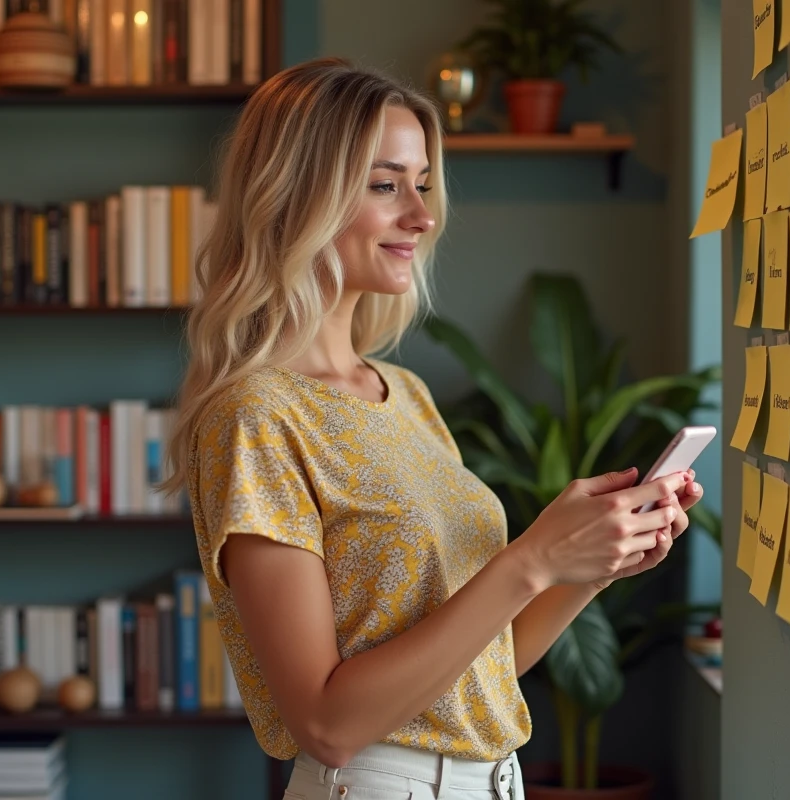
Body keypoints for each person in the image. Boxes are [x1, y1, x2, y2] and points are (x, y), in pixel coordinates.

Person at [162, 57, 704, 800]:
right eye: (385, 185)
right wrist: (531, 559)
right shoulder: (256, 416)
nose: (421, 215)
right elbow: (325, 722)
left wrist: (593, 564)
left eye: (421, 184)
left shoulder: (404, 395)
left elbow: (486, 663)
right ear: (297, 197)